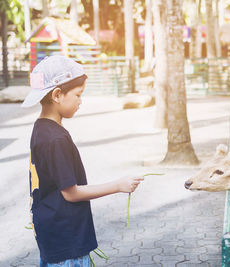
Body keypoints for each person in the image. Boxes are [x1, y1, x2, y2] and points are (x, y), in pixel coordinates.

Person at [22, 55, 144, 266]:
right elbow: (71, 193)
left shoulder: (40, 128)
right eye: (78, 95)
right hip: (67, 242)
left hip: (52, 236)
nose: (81, 101)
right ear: (57, 95)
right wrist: (118, 185)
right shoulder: (56, 139)